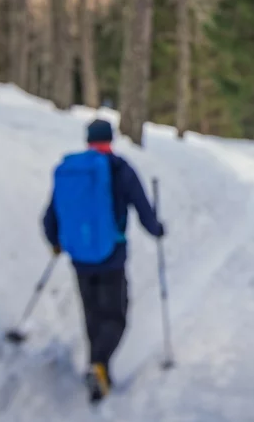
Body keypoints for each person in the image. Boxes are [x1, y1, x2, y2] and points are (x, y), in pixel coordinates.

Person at [42, 118, 165, 403]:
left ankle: (100, 373)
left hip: (79, 259)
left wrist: (55, 243)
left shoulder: (71, 171)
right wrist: (156, 229)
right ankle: (99, 365)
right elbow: (142, 207)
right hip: (111, 255)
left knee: (93, 317)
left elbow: (50, 216)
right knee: (117, 316)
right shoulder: (120, 168)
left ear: (88, 139)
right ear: (110, 139)